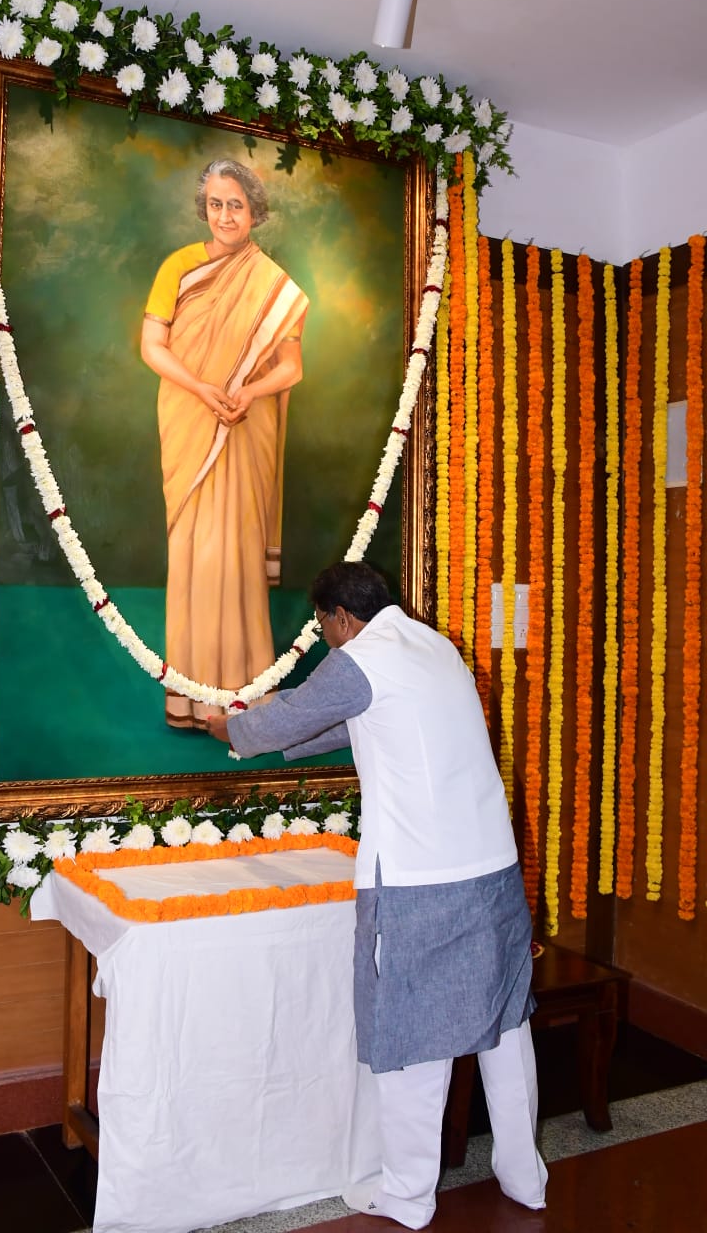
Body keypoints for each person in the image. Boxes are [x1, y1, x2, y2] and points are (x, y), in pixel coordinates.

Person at [207, 561, 547, 1230]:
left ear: (339, 617)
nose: (326, 636)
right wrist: (273, 730)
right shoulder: (432, 645)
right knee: (506, 1030)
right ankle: (524, 1179)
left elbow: (288, 720)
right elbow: (345, 722)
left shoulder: (359, 659)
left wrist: (231, 730)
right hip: (492, 872)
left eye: (322, 625)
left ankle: (409, 1196)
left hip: (422, 880)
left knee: (410, 1035)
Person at [141, 159, 309, 729]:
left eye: (236, 204)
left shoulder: (272, 284)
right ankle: (190, 699)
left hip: (245, 424)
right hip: (191, 419)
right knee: (194, 553)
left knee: (236, 553)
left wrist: (248, 392)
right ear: (204, 208)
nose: (225, 215)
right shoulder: (179, 266)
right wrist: (202, 389)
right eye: (216, 204)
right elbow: (152, 347)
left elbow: (291, 367)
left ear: (254, 211)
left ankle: (245, 697)